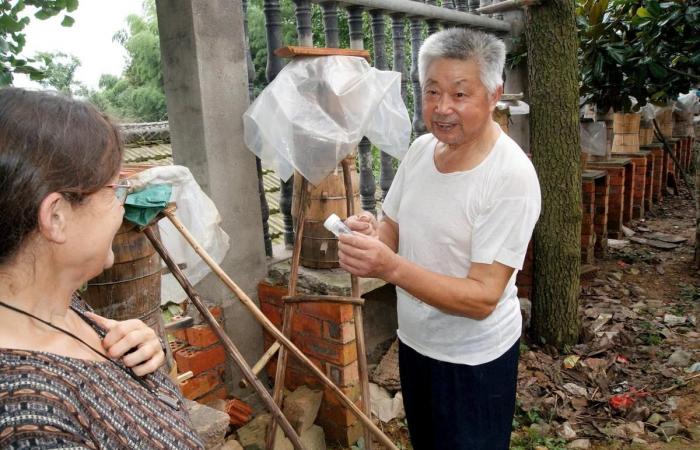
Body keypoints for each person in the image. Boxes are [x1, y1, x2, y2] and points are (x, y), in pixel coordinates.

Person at [338, 28, 541, 450]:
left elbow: (482, 298)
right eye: (432, 91)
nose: (442, 107)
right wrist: (368, 236)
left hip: (474, 361)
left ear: (494, 94)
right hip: (415, 343)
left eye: (460, 94)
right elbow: (391, 228)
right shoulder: (421, 150)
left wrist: (388, 267)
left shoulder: (510, 177)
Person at [0, 88, 204, 449]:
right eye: (114, 190)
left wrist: (145, 363)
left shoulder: (60, 308)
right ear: (56, 217)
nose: (121, 208)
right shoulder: (29, 422)